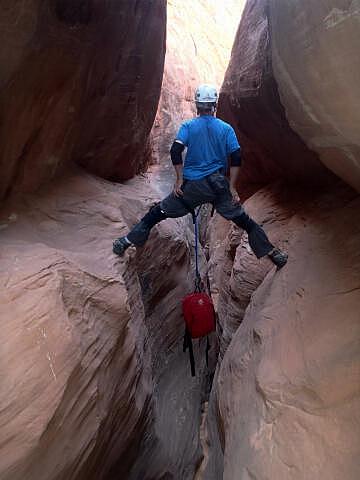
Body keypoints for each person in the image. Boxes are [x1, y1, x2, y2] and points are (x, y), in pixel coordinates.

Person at [113, 84, 288, 268]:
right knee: (245, 222)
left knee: (157, 213)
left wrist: (179, 180)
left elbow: (175, 150)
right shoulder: (226, 128)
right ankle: (273, 253)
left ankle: (126, 241)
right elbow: (236, 157)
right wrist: (232, 186)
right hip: (218, 187)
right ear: (214, 105)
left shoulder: (188, 126)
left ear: (198, 105)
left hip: (192, 187)